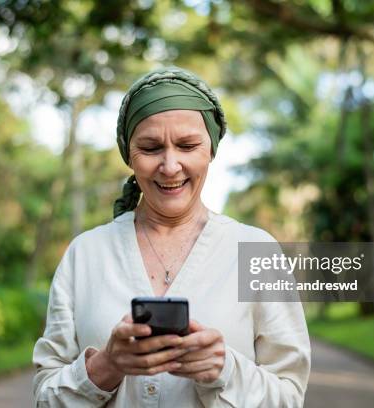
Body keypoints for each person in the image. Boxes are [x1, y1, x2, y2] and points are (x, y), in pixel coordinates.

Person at [32, 67, 311, 407]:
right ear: (129, 154)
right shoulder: (85, 254)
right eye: (150, 148)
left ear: (210, 150)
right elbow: (46, 397)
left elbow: (289, 398)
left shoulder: (257, 250)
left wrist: (224, 370)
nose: (170, 165)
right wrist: (106, 365)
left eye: (187, 145)